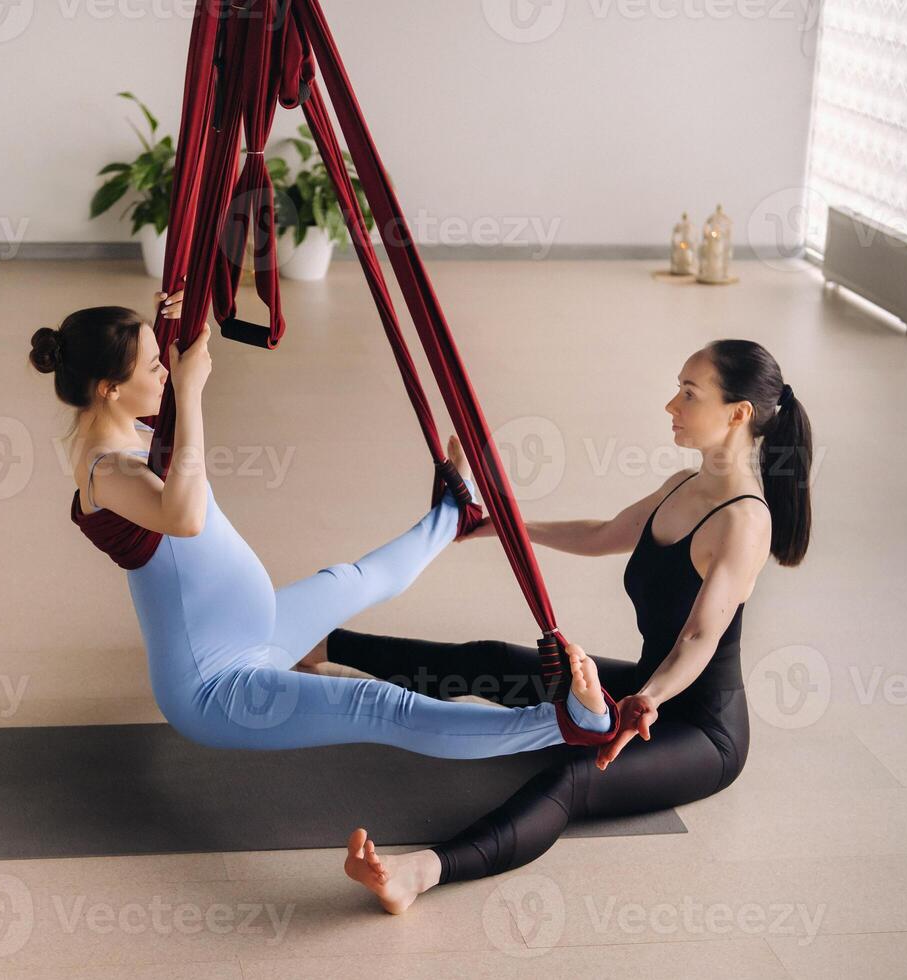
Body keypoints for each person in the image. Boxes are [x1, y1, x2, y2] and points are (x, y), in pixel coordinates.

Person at [307, 340, 813, 913]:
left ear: (738, 413)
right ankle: (319, 644)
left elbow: (700, 637)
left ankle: (417, 874)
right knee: (495, 660)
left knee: (571, 780)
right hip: (641, 695)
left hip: (698, 729)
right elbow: (602, 535)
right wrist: (500, 525)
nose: (671, 405)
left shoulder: (744, 521)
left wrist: (643, 700)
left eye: (689, 394)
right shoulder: (682, 486)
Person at [28, 287, 622, 758]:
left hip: (254, 631)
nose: (165, 372)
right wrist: (192, 390)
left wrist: (168, 338)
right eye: (154, 366)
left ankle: (452, 515)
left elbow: (170, 433)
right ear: (109, 389)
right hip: (219, 689)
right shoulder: (109, 473)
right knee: (382, 707)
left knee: (352, 579)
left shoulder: (126, 429)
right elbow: (184, 516)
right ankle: (568, 726)